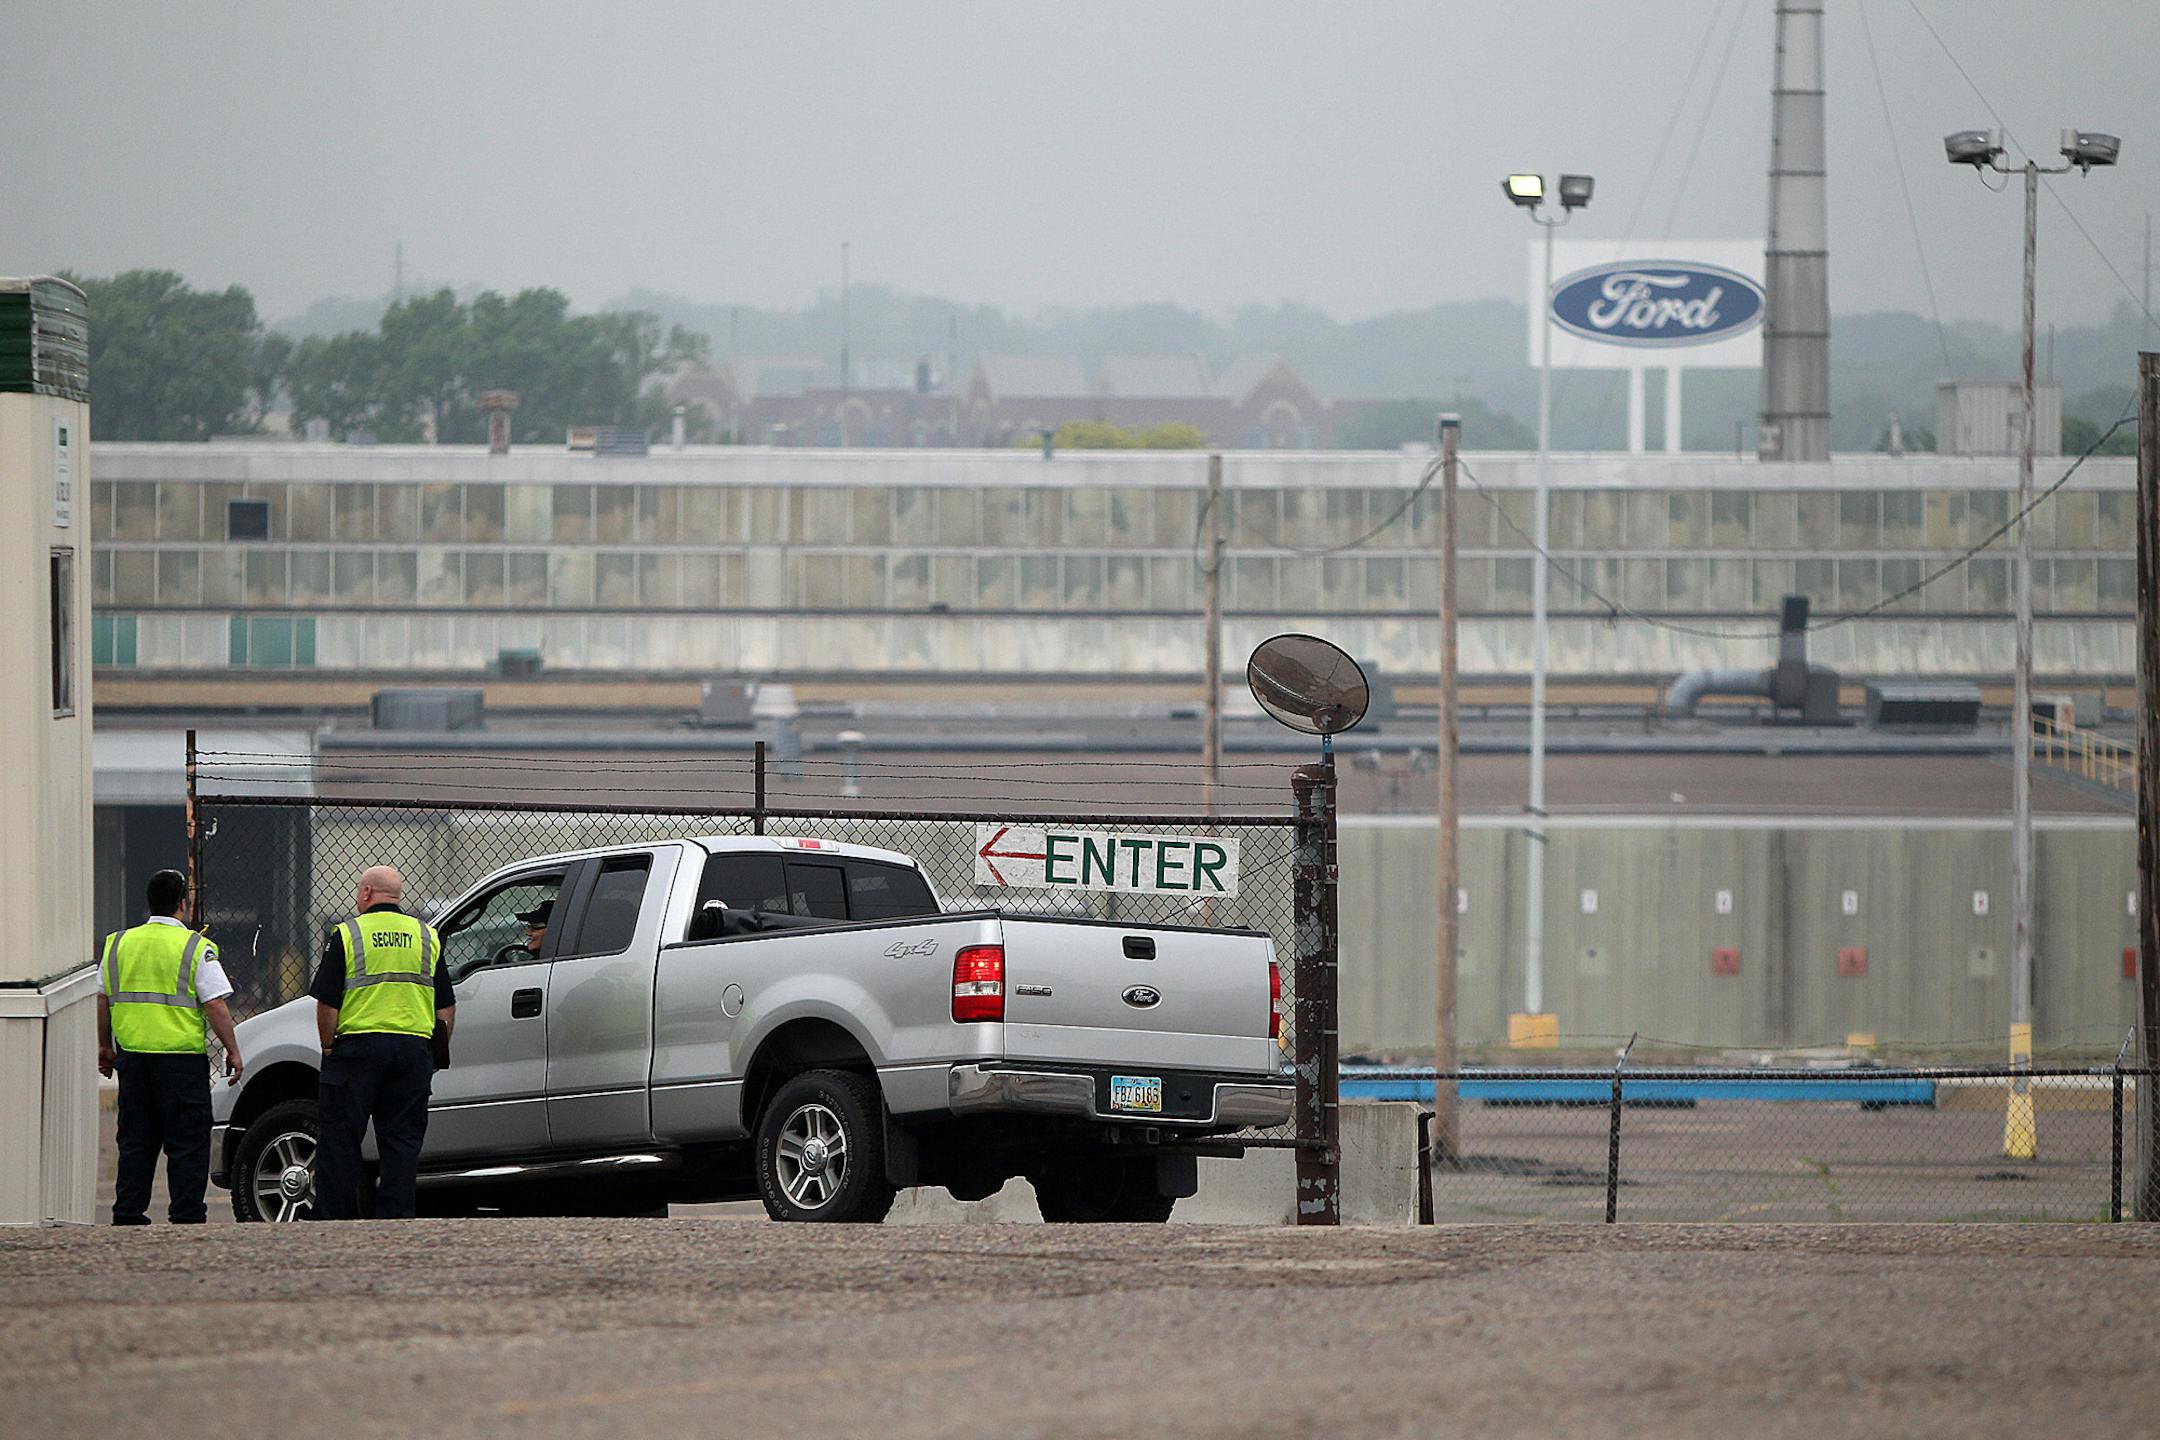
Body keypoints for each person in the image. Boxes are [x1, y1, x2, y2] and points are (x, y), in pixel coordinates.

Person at [98, 868, 244, 1226]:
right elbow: (215, 1004)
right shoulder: (195, 947)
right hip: (180, 1063)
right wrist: (233, 1049)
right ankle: (187, 1217)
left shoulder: (118, 943)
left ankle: (128, 1215)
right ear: (183, 902)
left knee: (135, 1142)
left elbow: (102, 999)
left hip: (132, 1059)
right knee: (187, 1144)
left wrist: (105, 1046)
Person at [310, 865, 454, 1220]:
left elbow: (328, 1004)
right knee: (402, 1142)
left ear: (366, 893)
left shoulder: (347, 934)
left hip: (358, 1049)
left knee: (341, 1139)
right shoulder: (426, 936)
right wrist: (434, 1052)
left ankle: (333, 1218)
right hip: (412, 1051)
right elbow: (446, 1008)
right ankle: (396, 1218)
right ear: (397, 895)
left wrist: (328, 1047)